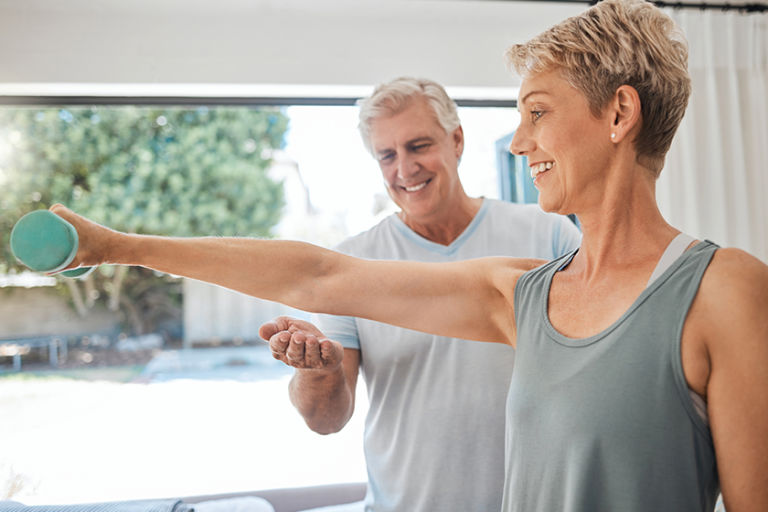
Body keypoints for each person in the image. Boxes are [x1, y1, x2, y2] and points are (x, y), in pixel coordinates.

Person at [47, 0, 768, 510]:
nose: (518, 142)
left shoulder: (722, 290)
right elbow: (319, 275)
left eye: (538, 111)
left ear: (618, 114)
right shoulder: (524, 295)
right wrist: (119, 246)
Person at [259, 77, 581, 512]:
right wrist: (318, 370)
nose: (404, 169)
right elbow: (326, 420)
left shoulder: (548, 236)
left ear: (457, 140)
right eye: (387, 155)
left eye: (419, 146)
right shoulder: (352, 265)